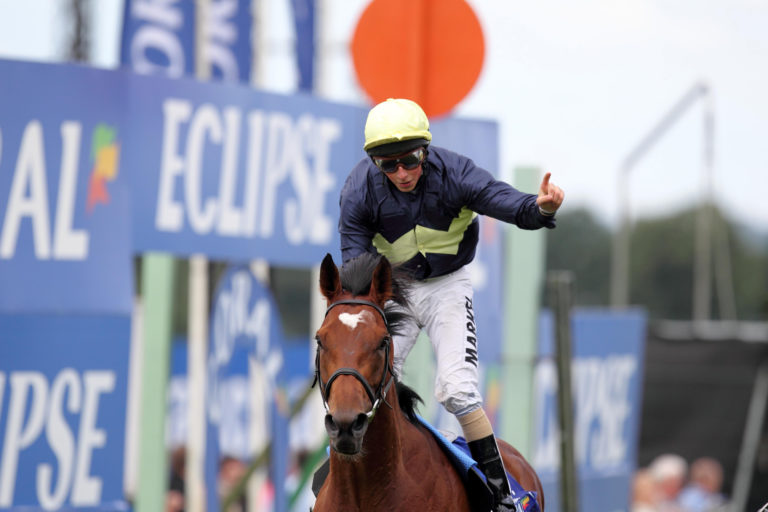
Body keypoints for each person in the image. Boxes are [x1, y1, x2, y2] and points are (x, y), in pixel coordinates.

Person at [338, 98, 564, 511]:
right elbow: (355, 267)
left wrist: (538, 207)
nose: (402, 173)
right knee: (367, 386)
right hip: (395, 288)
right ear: (374, 163)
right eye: (389, 165)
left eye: (409, 160)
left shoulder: (455, 172)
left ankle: (500, 494)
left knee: (457, 390)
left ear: (425, 150)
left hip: (448, 285)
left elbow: (501, 199)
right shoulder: (357, 191)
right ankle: (346, 485)